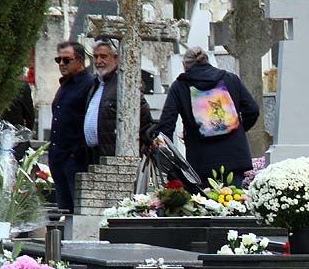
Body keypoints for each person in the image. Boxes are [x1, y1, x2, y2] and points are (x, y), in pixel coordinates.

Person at [152, 47, 259, 186]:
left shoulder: (180, 87)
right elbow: (252, 110)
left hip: (201, 159)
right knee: (234, 202)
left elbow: (167, 125)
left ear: (185, 65)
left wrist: (170, 159)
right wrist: (235, 128)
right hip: (233, 156)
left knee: (205, 205)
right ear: (207, 61)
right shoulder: (230, 79)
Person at [83, 39, 154, 164]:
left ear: (116, 58)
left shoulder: (124, 85)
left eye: (103, 56)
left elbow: (144, 120)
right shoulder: (96, 85)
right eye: (95, 57)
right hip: (93, 156)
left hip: (114, 158)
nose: (98, 61)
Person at [47, 41, 93, 212]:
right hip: (59, 156)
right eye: (58, 60)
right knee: (65, 209)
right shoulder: (65, 85)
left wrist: (76, 152)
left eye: (66, 60)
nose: (61, 64)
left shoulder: (89, 84)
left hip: (75, 158)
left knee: (77, 210)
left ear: (79, 61)